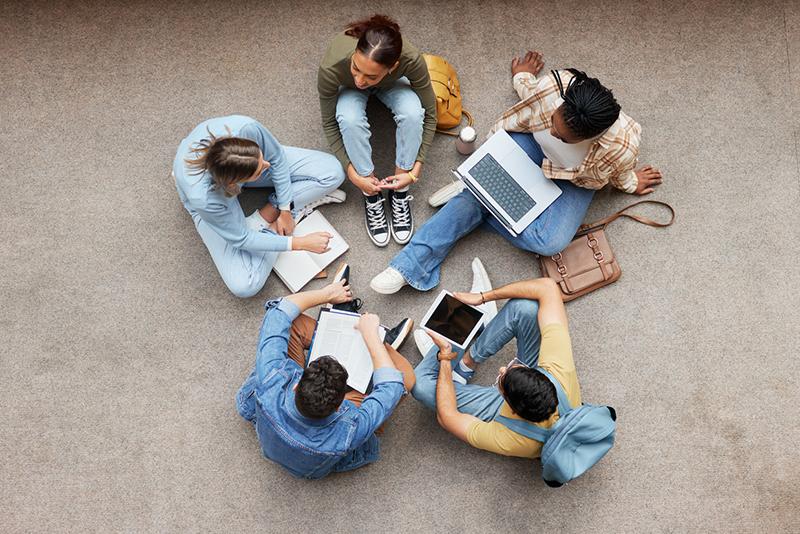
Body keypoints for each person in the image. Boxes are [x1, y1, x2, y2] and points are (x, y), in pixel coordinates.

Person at [370, 51, 663, 294]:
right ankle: (409, 265)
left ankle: (476, 195)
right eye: (553, 121)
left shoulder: (622, 146)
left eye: (561, 136)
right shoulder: (555, 86)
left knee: (549, 243)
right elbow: (530, 93)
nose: (552, 130)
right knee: (488, 199)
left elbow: (620, 172)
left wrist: (631, 182)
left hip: (575, 178)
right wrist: (522, 76)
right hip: (527, 144)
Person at [236, 264, 415, 479]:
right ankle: (372, 339)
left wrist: (326, 293)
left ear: (295, 385)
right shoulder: (348, 431)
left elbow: (280, 312)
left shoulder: (272, 378)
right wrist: (372, 338)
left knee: (294, 322)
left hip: (271, 421)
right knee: (406, 376)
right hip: (323, 459)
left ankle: (344, 321)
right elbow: (393, 387)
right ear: (342, 403)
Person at [174, 115, 346, 298]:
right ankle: (273, 225)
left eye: (261, 157)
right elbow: (241, 239)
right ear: (236, 182)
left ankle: (272, 211)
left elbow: (276, 158)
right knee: (245, 285)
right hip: (213, 199)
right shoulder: (204, 199)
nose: (267, 165)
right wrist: (298, 243)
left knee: (333, 172)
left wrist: (285, 208)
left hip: (238, 172)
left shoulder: (246, 128)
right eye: (260, 169)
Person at [411, 277, 581, 459]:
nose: (501, 369)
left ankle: (457, 337)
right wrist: (483, 297)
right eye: (511, 367)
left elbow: (447, 417)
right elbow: (547, 286)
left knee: (420, 385)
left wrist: (445, 355)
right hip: (542, 394)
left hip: (521, 423)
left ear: (510, 408)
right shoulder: (558, 367)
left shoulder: (512, 438)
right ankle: (465, 365)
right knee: (526, 308)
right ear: (542, 375)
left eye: (502, 380)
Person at [318, 14, 437, 247]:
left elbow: (431, 113)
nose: (361, 80)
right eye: (356, 68)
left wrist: (414, 171)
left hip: (391, 85)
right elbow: (329, 123)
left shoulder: (410, 60)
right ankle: (370, 190)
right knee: (348, 119)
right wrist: (353, 174)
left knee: (414, 113)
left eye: (369, 75)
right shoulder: (332, 68)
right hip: (347, 91)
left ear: (392, 67)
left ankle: (399, 185)